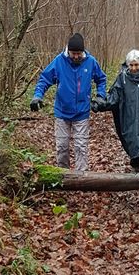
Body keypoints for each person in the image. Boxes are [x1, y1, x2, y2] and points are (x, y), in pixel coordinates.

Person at [30, 32, 107, 171]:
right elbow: (44, 79)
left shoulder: (91, 62)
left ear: (83, 51)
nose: (76, 56)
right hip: (62, 112)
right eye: (73, 53)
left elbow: (101, 79)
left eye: (79, 53)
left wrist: (100, 95)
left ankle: (81, 176)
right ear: (68, 51)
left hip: (82, 112)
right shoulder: (59, 62)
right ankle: (63, 175)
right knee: (62, 147)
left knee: (81, 147)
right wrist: (37, 96)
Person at [92, 49, 139, 172]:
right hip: (129, 116)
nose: (134, 68)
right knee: (132, 140)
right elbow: (114, 97)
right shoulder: (123, 78)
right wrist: (100, 104)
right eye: (131, 65)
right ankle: (135, 166)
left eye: (136, 65)